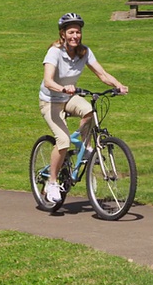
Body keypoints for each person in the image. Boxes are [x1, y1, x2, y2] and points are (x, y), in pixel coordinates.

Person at [39, 13, 129, 203]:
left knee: (89, 110)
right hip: (51, 100)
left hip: (69, 97)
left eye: (78, 32)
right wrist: (63, 87)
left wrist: (118, 85)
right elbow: (48, 81)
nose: (75, 36)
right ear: (62, 34)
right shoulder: (54, 52)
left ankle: (87, 147)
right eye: (71, 32)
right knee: (62, 141)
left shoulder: (84, 52)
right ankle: (52, 183)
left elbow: (102, 74)